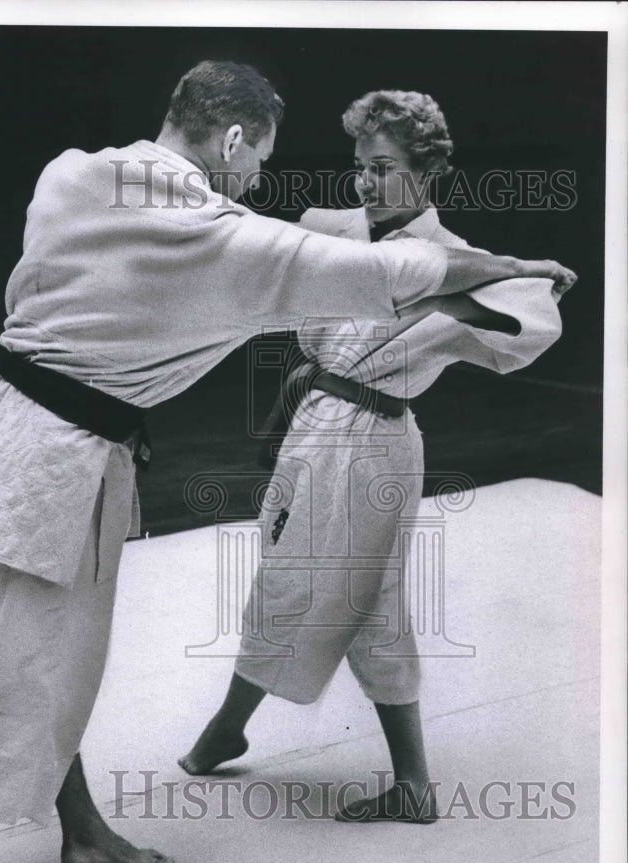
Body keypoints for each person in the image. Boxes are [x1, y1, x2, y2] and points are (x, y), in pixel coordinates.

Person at [0, 65, 576, 863]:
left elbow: (353, 267)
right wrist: (501, 266)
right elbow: (355, 264)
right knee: (34, 659)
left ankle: (80, 834)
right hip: (60, 458)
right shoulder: (208, 232)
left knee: (55, 652)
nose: (259, 181)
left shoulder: (71, 171)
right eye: (258, 159)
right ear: (231, 140)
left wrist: (463, 284)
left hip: (14, 433)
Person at [178, 89, 576, 825]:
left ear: (426, 173)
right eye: (359, 165)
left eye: (384, 167)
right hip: (318, 431)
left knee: (335, 596)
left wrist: (472, 284)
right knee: (312, 584)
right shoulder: (337, 231)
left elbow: (523, 319)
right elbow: (268, 244)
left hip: (371, 444)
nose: (365, 180)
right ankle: (258, 735)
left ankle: (252, 735)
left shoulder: (452, 260)